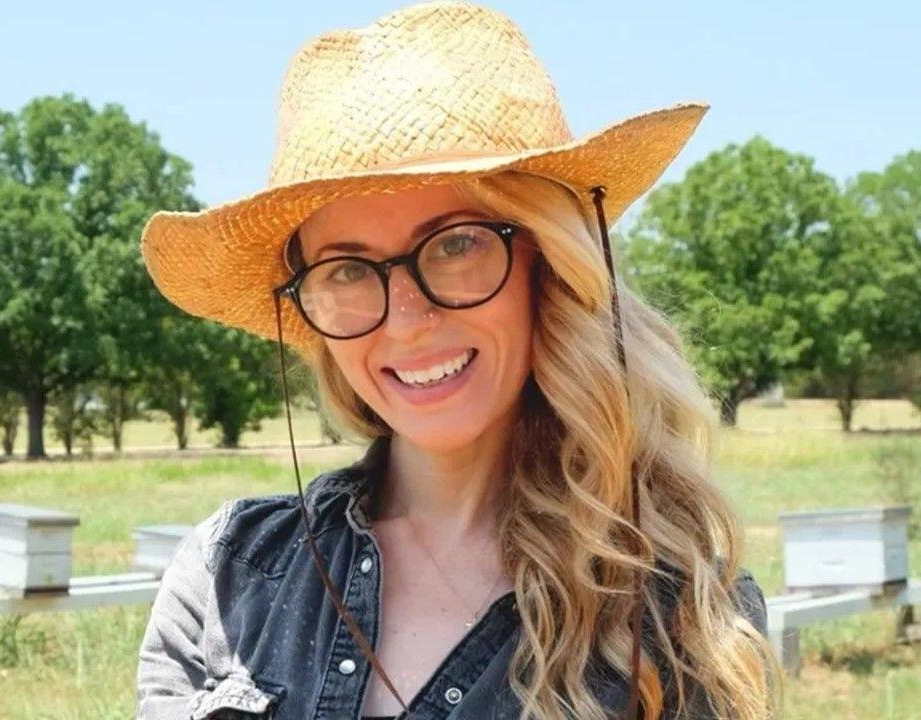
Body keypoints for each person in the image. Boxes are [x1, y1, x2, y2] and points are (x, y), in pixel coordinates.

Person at [135, 2, 779, 718]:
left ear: (551, 265)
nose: (408, 322)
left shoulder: (679, 615)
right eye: (346, 270)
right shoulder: (231, 575)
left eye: (456, 245)